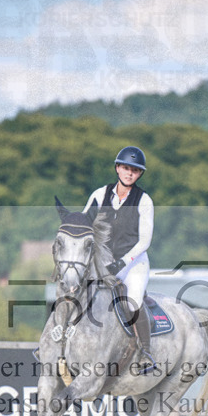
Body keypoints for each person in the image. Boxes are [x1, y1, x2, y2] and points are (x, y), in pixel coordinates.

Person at [82, 146, 157, 374]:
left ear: (139, 174)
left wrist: (123, 262)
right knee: (73, 291)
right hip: (102, 262)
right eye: (125, 168)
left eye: (134, 170)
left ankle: (145, 352)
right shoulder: (98, 195)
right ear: (117, 168)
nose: (129, 173)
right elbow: (85, 224)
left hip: (133, 264)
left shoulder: (144, 201)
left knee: (132, 302)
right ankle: (56, 343)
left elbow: (144, 241)